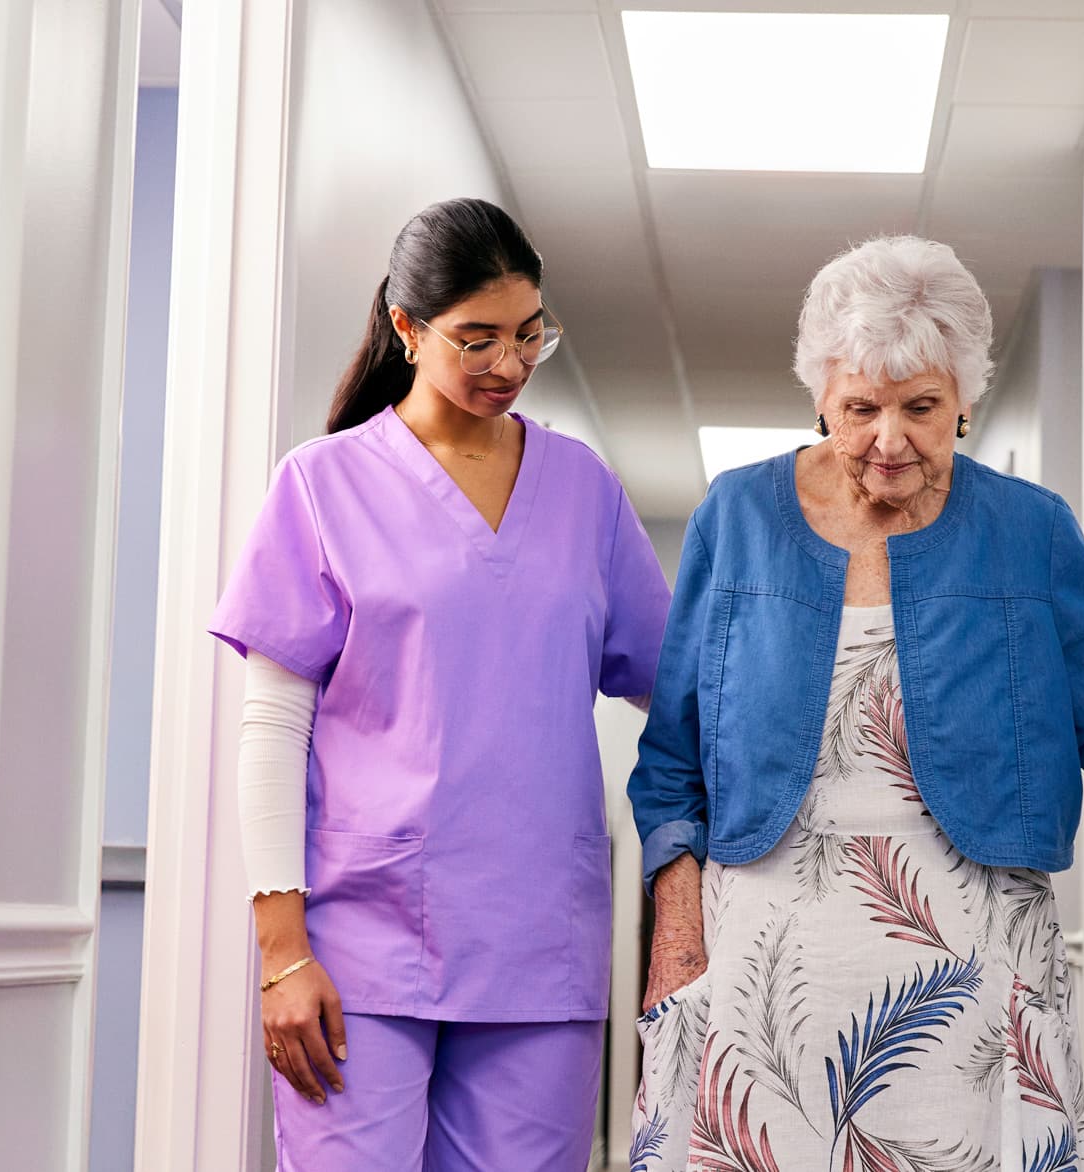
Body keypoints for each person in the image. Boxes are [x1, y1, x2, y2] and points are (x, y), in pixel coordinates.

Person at [625, 236, 1084, 1171]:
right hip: (767, 950)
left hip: (972, 951)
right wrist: (677, 941)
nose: (890, 440)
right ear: (819, 397)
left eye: (922, 407)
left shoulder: (1027, 530)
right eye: (860, 410)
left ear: (965, 398)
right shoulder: (738, 517)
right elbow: (674, 755)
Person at [209, 197, 671, 1170]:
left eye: (529, 333)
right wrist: (281, 949)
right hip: (359, 944)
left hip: (538, 940)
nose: (509, 364)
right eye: (478, 338)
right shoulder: (322, 484)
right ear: (407, 327)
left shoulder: (583, 488)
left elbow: (675, 685)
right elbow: (270, 726)